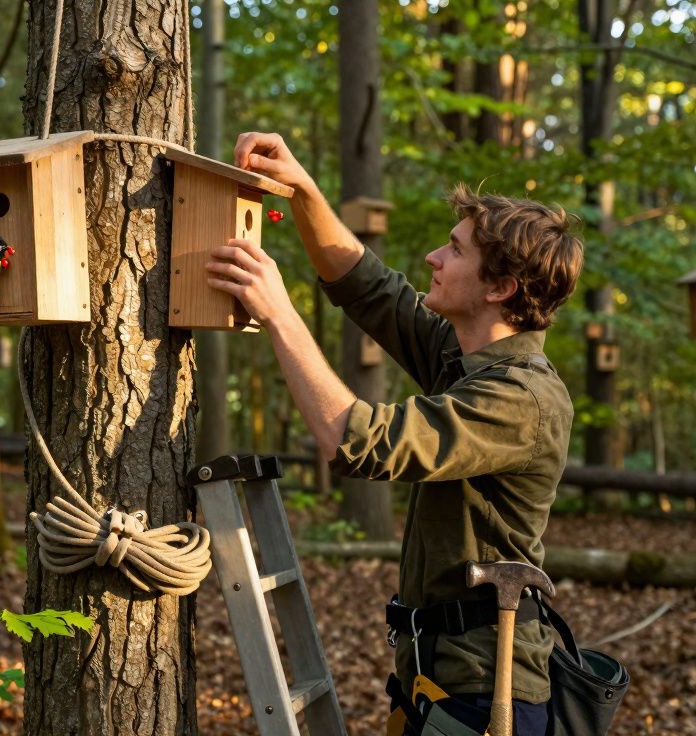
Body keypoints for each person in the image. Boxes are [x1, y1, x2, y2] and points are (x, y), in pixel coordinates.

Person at [205, 132, 584, 736]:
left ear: (501, 288)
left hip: (487, 693)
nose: (434, 256)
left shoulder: (521, 399)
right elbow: (368, 286)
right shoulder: (461, 359)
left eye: (454, 251)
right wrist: (303, 188)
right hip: (435, 677)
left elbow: (358, 442)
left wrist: (278, 312)